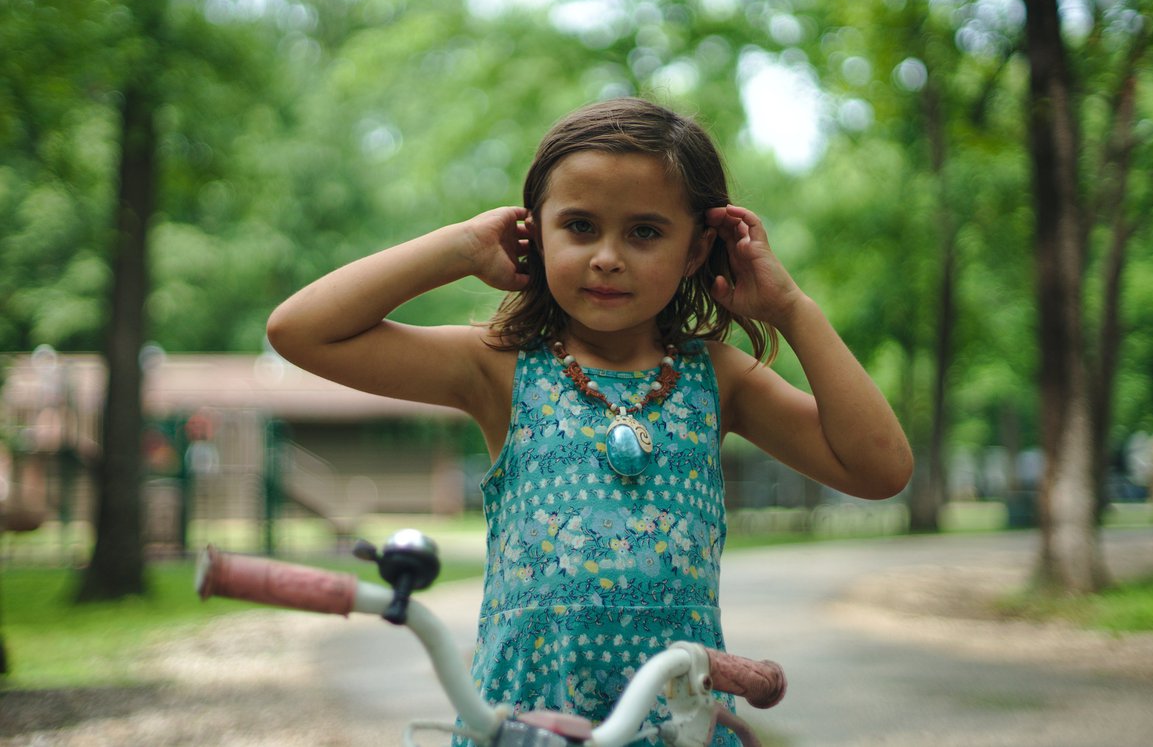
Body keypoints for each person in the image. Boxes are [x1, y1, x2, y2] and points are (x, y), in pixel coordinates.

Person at [267, 97, 913, 745]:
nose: (607, 256)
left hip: (675, 726)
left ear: (697, 249)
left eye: (644, 232)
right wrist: (460, 248)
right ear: (535, 233)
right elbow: (301, 331)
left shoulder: (717, 378)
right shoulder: (498, 368)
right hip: (523, 722)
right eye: (579, 226)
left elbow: (880, 467)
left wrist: (791, 308)